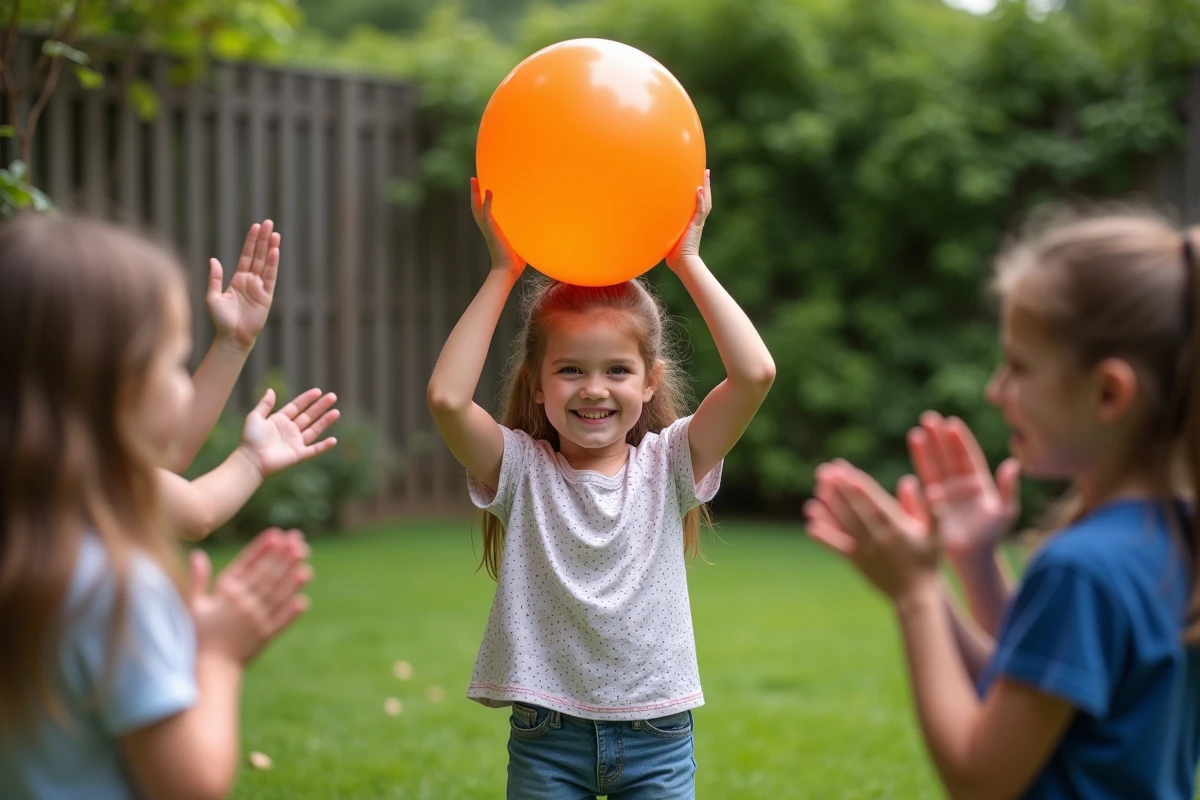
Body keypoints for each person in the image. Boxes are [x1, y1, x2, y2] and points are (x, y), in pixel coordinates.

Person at [806, 209, 1200, 799]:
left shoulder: (1084, 566)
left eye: (1018, 367)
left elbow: (979, 776)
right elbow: (1039, 683)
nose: (996, 391)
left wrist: (914, 597)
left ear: (1109, 392)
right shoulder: (1173, 537)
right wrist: (967, 564)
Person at [427, 170, 775, 799]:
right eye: (569, 370)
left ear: (648, 382)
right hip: (547, 733)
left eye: (617, 369)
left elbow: (755, 374)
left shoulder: (670, 465)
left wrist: (689, 262)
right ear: (538, 384)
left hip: (658, 735)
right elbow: (448, 400)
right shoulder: (521, 470)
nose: (593, 388)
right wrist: (502, 272)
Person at [0, 214, 313, 800]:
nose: (181, 384)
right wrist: (218, 655)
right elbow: (190, 785)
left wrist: (232, 345)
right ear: (111, 390)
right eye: (173, 363)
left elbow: (170, 477)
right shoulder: (117, 591)